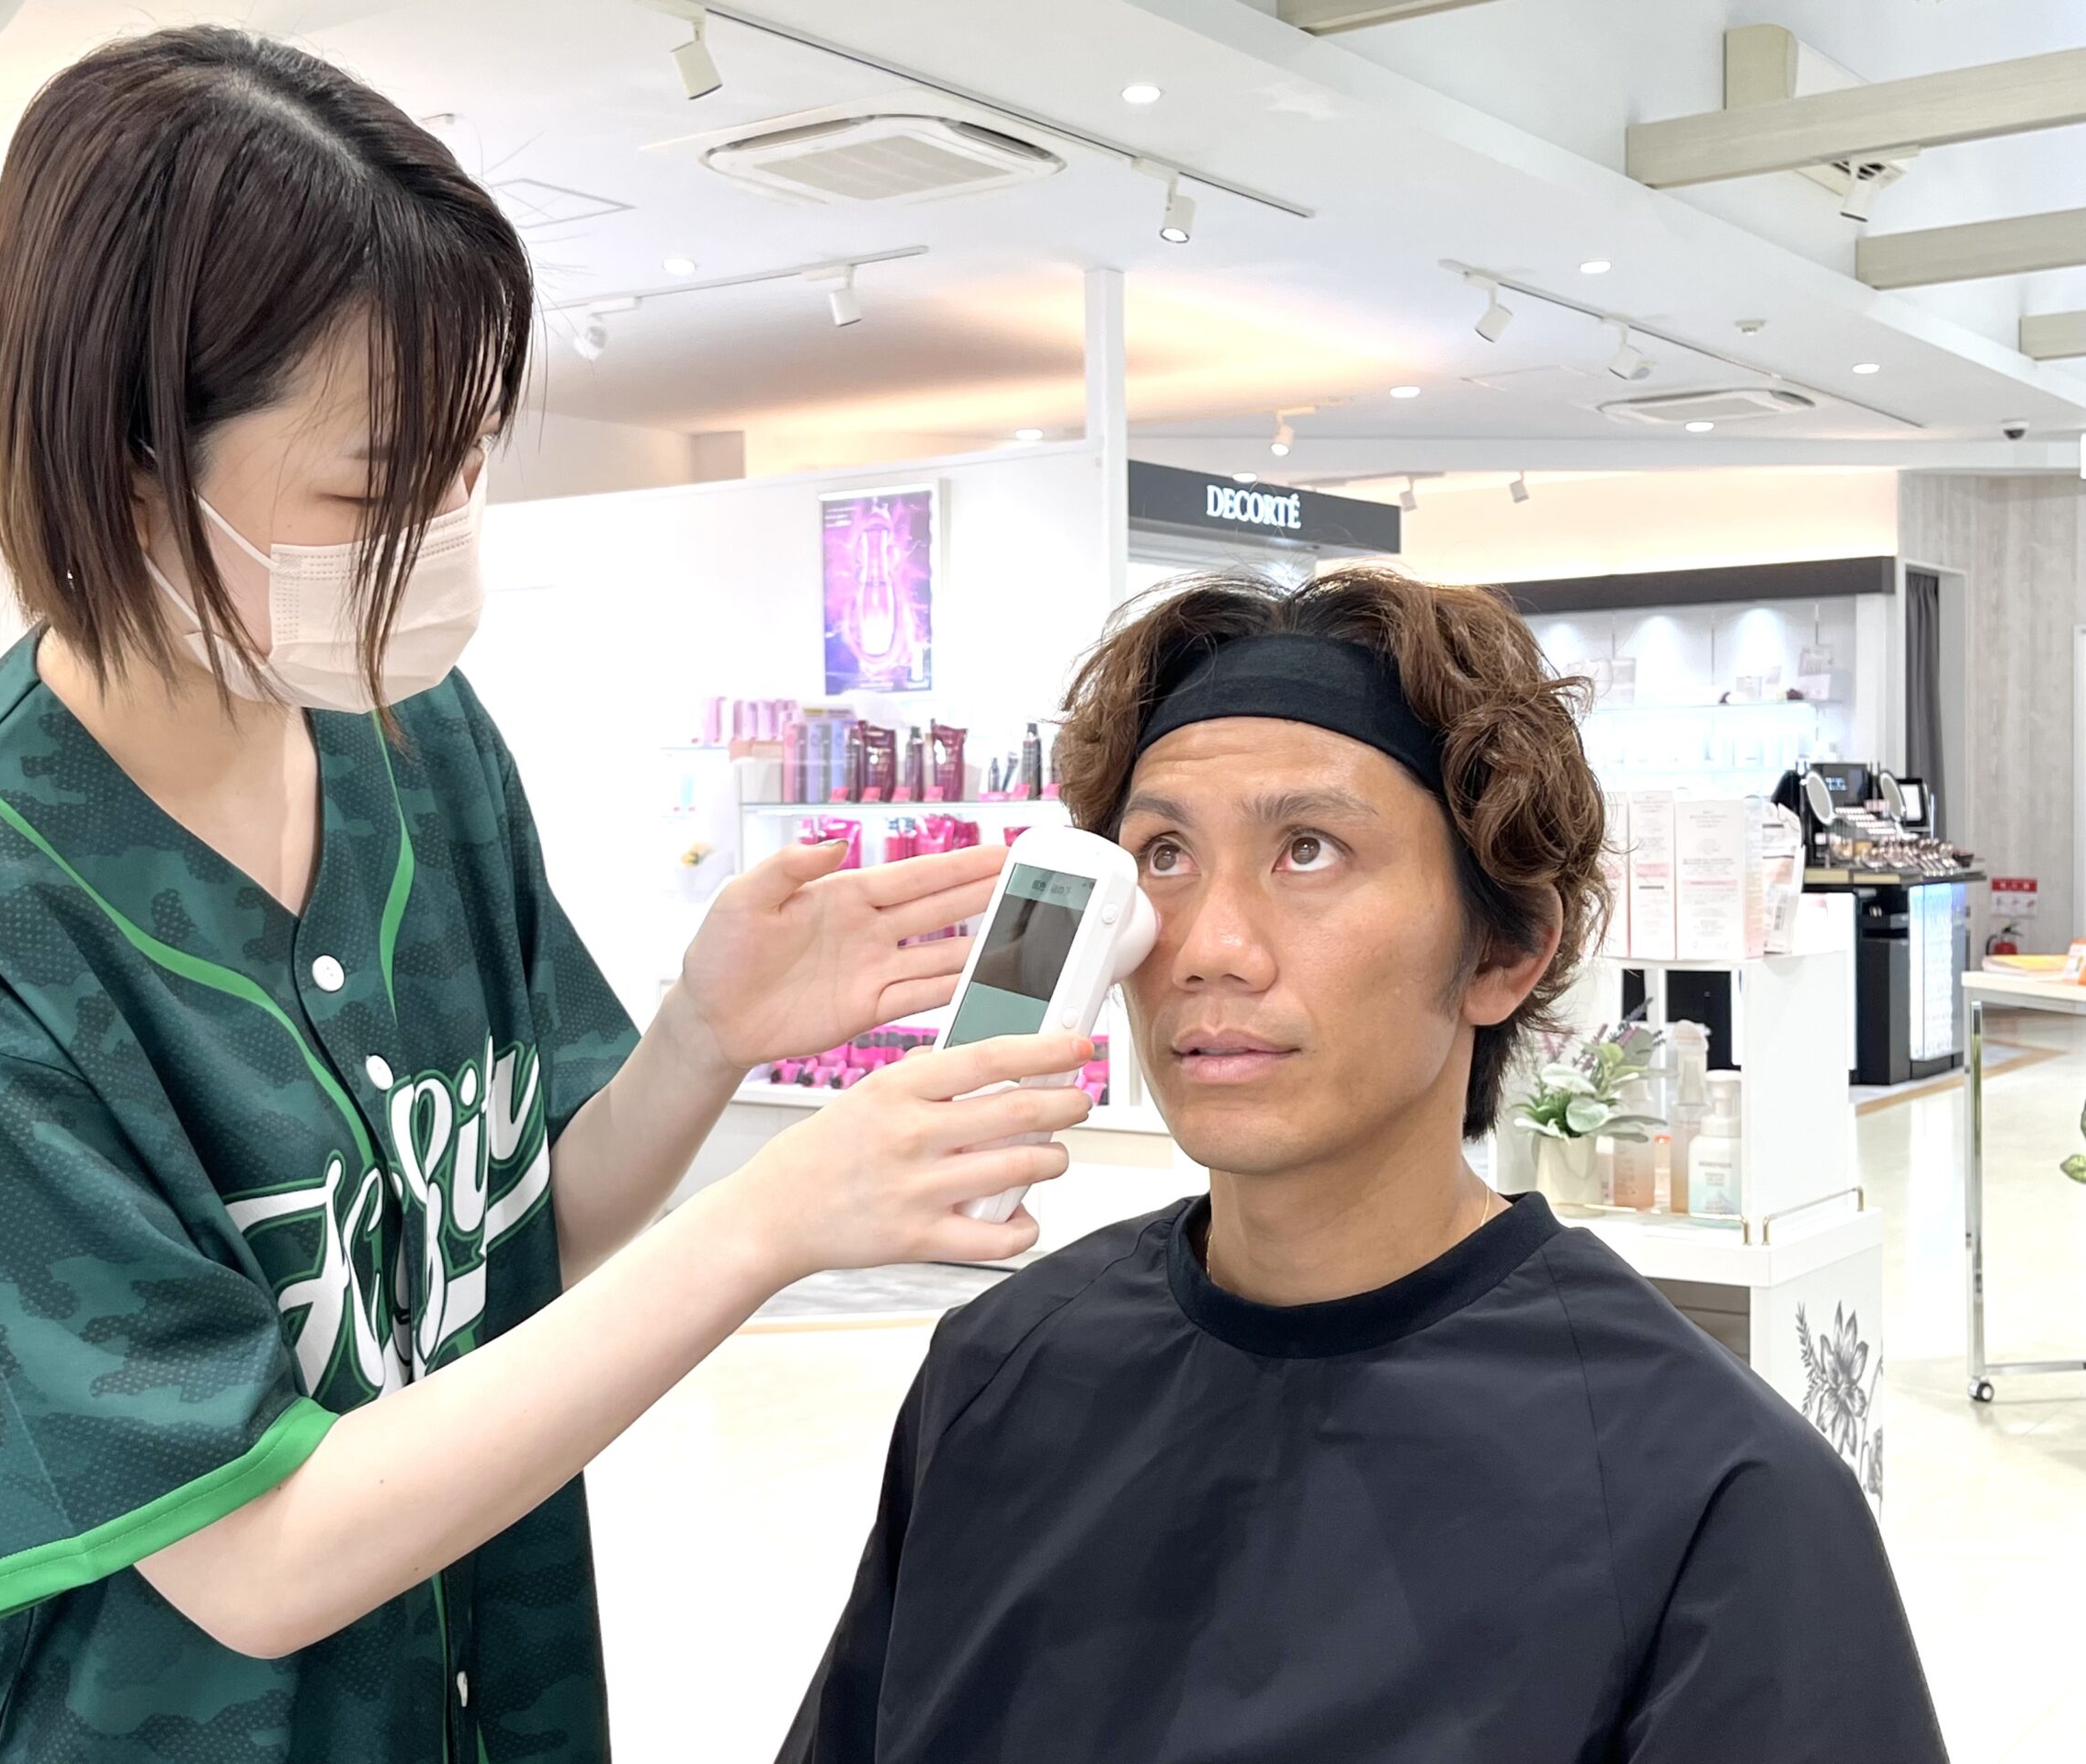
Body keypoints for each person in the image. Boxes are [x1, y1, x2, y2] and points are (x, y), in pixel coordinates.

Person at [0, 28, 1092, 1764]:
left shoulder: (414, 745)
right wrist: (768, 1222)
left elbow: (507, 1251)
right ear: (132, 462)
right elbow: (259, 1557)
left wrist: (702, 1040)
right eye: (383, 485)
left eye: (469, 463)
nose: (448, 529)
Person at [782, 565, 1947, 1763]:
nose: (1211, 948)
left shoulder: (1714, 1496)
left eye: (1309, 850)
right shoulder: (999, 1368)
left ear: (1504, 953)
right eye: (1165, 855)